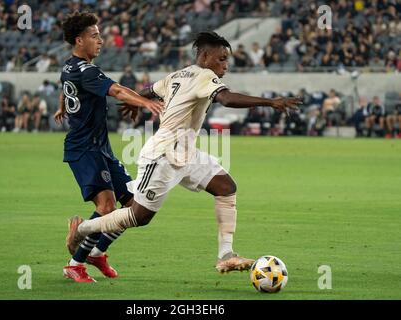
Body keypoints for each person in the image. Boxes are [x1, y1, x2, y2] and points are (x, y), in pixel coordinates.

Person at [67, 31, 301, 274]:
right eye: (221, 59)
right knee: (139, 217)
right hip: (163, 155)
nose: (225, 65)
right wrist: (270, 102)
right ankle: (84, 228)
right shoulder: (204, 76)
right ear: (206, 56)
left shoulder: (178, 74)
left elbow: (151, 89)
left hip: (187, 153)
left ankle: (226, 255)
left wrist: (134, 101)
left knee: (226, 188)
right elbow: (227, 99)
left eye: (226, 60)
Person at [54, 11, 163, 283]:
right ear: (79, 40)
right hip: (84, 149)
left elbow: (67, 87)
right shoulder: (87, 70)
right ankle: (75, 263)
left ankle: (98, 253)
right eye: (95, 36)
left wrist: (62, 107)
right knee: (106, 208)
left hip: (100, 147)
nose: (101, 40)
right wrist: (145, 102)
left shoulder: (69, 67)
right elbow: (115, 90)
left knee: (132, 204)